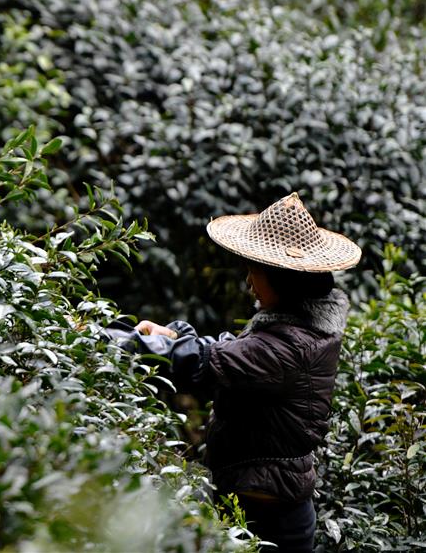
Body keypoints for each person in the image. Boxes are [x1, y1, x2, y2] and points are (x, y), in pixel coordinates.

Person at [105, 192, 361, 552]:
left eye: (254, 272)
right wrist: (173, 334)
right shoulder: (296, 326)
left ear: (282, 281)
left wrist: (110, 339)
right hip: (265, 499)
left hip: (272, 518)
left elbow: (206, 362)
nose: (248, 282)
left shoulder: (290, 346)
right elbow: (233, 352)